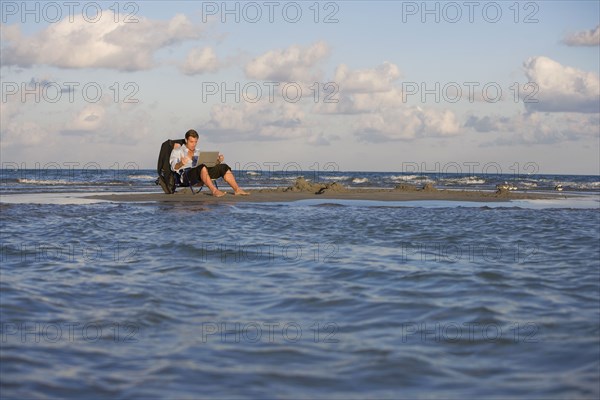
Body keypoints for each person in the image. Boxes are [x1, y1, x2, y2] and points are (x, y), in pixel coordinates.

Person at [170, 129, 249, 197]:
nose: (193, 144)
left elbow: (207, 165)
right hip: (186, 176)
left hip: (201, 172)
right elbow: (173, 167)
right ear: (186, 140)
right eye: (191, 142)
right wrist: (181, 163)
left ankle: (237, 189)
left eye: (195, 142)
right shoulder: (178, 151)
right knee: (202, 167)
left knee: (223, 167)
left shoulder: (198, 152)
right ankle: (214, 191)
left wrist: (218, 161)